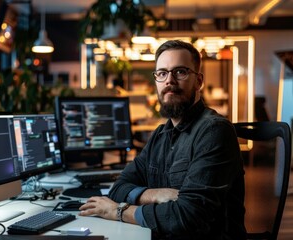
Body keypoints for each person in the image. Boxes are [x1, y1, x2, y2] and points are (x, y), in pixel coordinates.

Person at [79, 39, 246, 240]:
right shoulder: (161, 135)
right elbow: (118, 188)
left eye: (180, 72)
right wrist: (155, 194)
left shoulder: (214, 132)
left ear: (199, 81)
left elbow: (187, 216)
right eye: (162, 73)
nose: (169, 81)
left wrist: (118, 211)